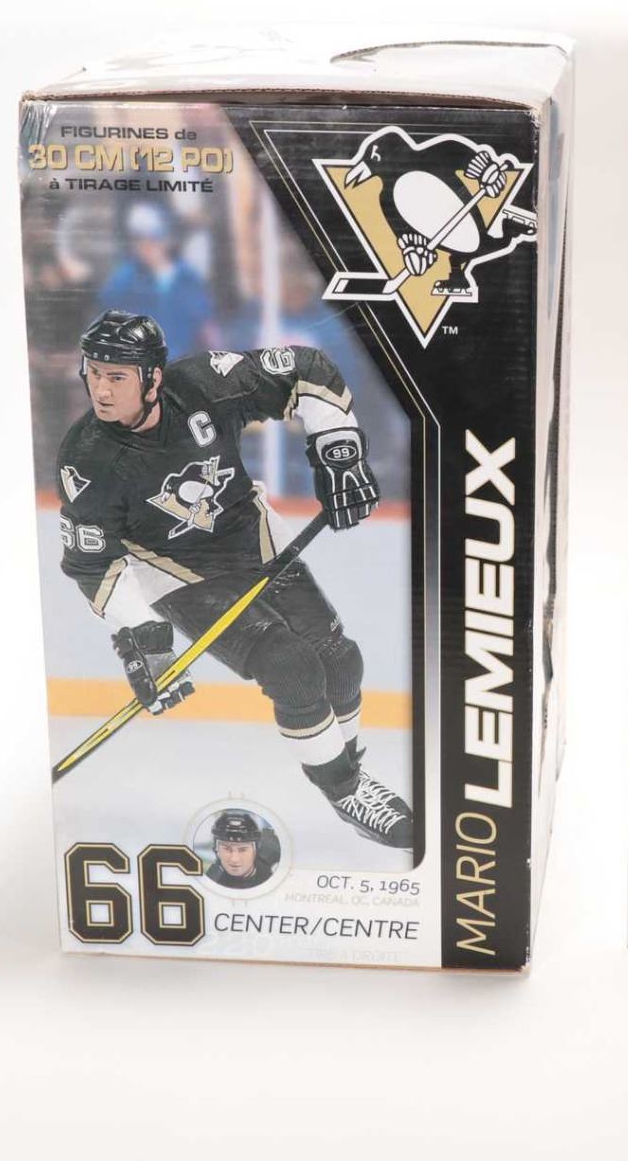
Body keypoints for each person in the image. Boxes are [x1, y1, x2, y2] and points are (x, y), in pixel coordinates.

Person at [55, 309, 412, 849]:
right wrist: (142, 634)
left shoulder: (203, 384)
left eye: (117, 376)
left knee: (341, 660)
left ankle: (350, 770)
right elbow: (91, 563)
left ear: (153, 377)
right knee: (291, 668)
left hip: (254, 539)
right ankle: (345, 791)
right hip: (176, 572)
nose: (100, 390)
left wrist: (338, 454)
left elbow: (308, 369)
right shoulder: (86, 458)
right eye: (94, 372)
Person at [97, 203, 214, 357]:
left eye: (153, 239)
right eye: (140, 240)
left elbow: (205, 325)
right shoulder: (125, 278)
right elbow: (106, 317)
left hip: (182, 360)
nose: (147, 247)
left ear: (167, 239)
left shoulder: (187, 277)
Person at [204, 809, 276, 890]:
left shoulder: (272, 863)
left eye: (243, 850)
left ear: (256, 850)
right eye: (227, 849)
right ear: (216, 850)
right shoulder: (212, 879)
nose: (234, 859)